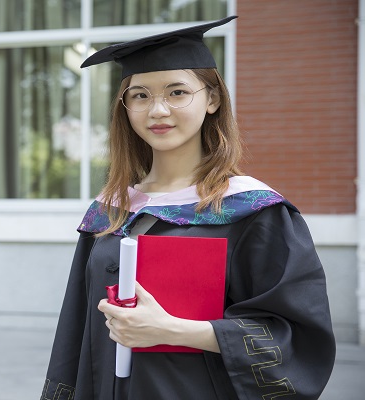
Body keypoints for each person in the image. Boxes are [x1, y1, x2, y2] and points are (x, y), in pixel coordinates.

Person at [40, 16, 336, 400]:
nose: (157, 110)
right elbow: (74, 333)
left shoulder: (253, 211)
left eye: (177, 92)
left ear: (212, 99)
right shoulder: (110, 211)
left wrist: (172, 330)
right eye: (141, 95)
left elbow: (295, 337)